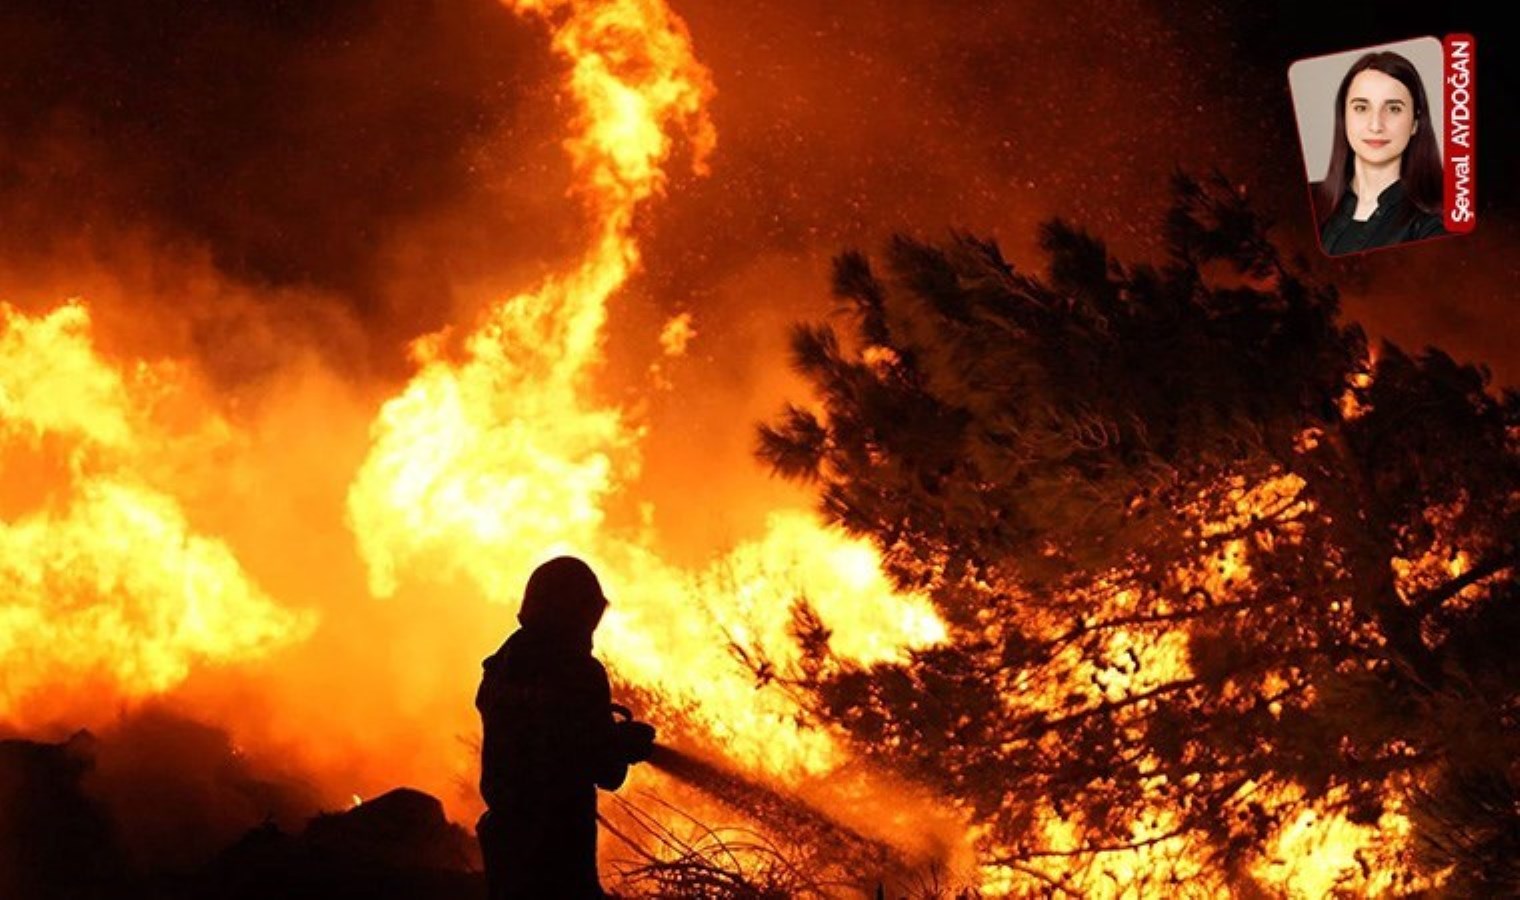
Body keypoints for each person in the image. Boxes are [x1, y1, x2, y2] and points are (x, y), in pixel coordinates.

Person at [475, 556, 656, 899]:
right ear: (573, 611)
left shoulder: (500, 667)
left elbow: (548, 735)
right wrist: (624, 744)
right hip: (557, 850)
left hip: (507, 845)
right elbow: (605, 770)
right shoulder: (579, 671)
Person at [1315, 50, 1446, 256]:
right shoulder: (1312, 209)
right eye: (1361, 108)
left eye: (1393, 109)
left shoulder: (1434, 227)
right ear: (1344, 116)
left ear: (1415, 123)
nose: (1376, 125)